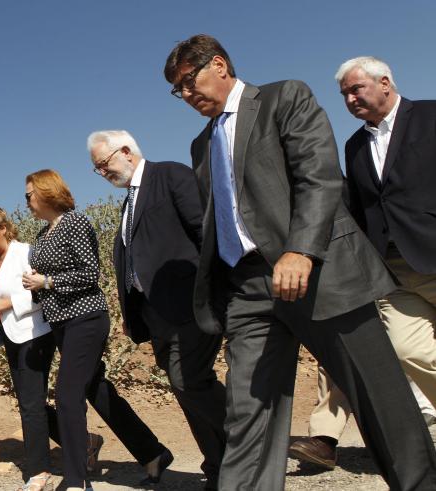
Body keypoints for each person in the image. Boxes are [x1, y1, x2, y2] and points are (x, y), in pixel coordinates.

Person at [163, 34, 436, 490]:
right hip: (248, 290)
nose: (187, 95)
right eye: (179, 90)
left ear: (219, 64)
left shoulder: (283, 97)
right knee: (249, 410)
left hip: (320, 273)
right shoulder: (200, 145)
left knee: (378, 395)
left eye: (190, 81)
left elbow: (319, 175)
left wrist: (300, 250)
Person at [289, 55, 436, 470]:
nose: (350, 99)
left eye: (357, 89)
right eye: (344, 94)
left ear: (385, 82)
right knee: (411, 350)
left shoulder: (430, 116)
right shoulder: (354, 146)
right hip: (390, 269)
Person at [89, 129, 226, 489]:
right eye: (98, 169)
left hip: (189, 303)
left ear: (126, 151)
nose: (103, 173)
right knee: (184, 391)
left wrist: (212, 290)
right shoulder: (128, 204)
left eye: (103, 164)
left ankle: (250, 437)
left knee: (189, 379)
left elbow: (203, 230)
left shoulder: (170, 175)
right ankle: (219, 468)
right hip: (155, 314)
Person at [21, 169, 172, 491]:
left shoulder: (75, 222)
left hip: (85, 319)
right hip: (61, 321)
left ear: (47, 192)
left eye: (29, 194)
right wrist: (35, 285)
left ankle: (76, 479)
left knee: (67, 394)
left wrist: (46, 281)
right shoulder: (42, 235)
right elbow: (49, 281)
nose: (27, 201)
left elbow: (90, 272)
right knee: (96, 389)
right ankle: (153, 452)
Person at [0, 206, 61, 491]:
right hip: (10, 335)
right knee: (30, 400)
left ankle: (38, 471)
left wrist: (8, 303)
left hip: (34, 335)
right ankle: (85, 442)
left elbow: (41, 291)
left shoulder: (25, 252)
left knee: (31, 403)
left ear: (2, 227)